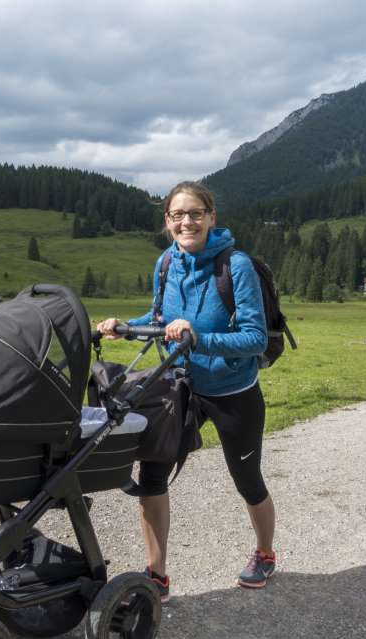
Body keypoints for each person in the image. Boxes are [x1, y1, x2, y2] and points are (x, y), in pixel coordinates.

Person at [96, 181, 276, 602]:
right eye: (177, 215)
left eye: (195, 213)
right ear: (167, 222)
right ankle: (156, 575)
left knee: (247, 480)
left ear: (212, 217)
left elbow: (255, 339)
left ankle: (265, 553)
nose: (186, 222)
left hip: (234, 391)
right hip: (179, 387)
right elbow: (160, 315)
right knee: (152, 476)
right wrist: (125, 325)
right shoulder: (165, 264)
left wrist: (198, 338)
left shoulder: (236, 266)